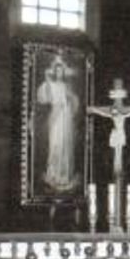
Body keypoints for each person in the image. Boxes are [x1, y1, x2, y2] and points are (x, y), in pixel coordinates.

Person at [36, 55, 79, 192]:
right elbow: (44, 98)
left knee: (65, 145)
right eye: (57, 71)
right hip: (56, 116)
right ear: (54, 72)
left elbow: (73, 101)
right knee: (55, 144)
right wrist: (47, 80)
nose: (59, 73)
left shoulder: (66, 86)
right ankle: (53, 175)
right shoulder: (51, 85)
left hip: (66, 117)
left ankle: (64, 176)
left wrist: (71, 99)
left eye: (61, 71)